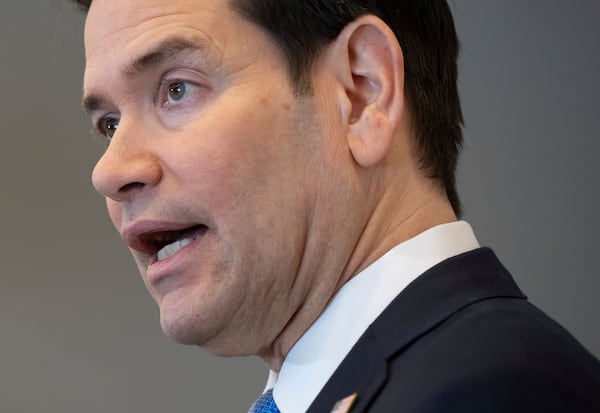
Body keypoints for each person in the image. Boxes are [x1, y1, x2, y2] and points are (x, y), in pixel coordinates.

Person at [73, 0, 600, 412]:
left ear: (362, 93)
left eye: (177, 89)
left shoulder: (493, 393)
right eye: (109, 125)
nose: (110, 171)